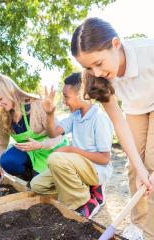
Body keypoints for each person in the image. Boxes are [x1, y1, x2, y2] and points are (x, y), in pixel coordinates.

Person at [71, 17, 154, 239]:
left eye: (99, 63)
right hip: (136, 108)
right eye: (88, 67)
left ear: (115, 44)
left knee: (153, 167)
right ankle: (137, 226)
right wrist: (138, 166)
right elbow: (119, 124)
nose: (96, 72)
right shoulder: (98, 79)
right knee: (136, 167)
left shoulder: (150, 52)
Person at [31, 72, 113, 219]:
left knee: (56, 159)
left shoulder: (99, 117)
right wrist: (49, 113)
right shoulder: (75, 116)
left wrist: (71, 150)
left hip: (96, 169)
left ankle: (86, 202)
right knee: (37, 185)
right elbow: (53, 133)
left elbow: (105, 159)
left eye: (66, 96)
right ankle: (84, 191)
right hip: (78, 168)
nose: (64, 101)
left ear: (82, 94)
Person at [0, 74, 68, 184]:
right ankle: (32, 178)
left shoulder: (37, 105)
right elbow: (1, 144)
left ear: (9, 92)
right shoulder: (3, 116)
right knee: (7, 160)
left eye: (0, 99)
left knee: (45, 185)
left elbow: (59, 137)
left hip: (51, 150)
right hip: (30, 153)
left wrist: (40, 145)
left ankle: (47, 176)